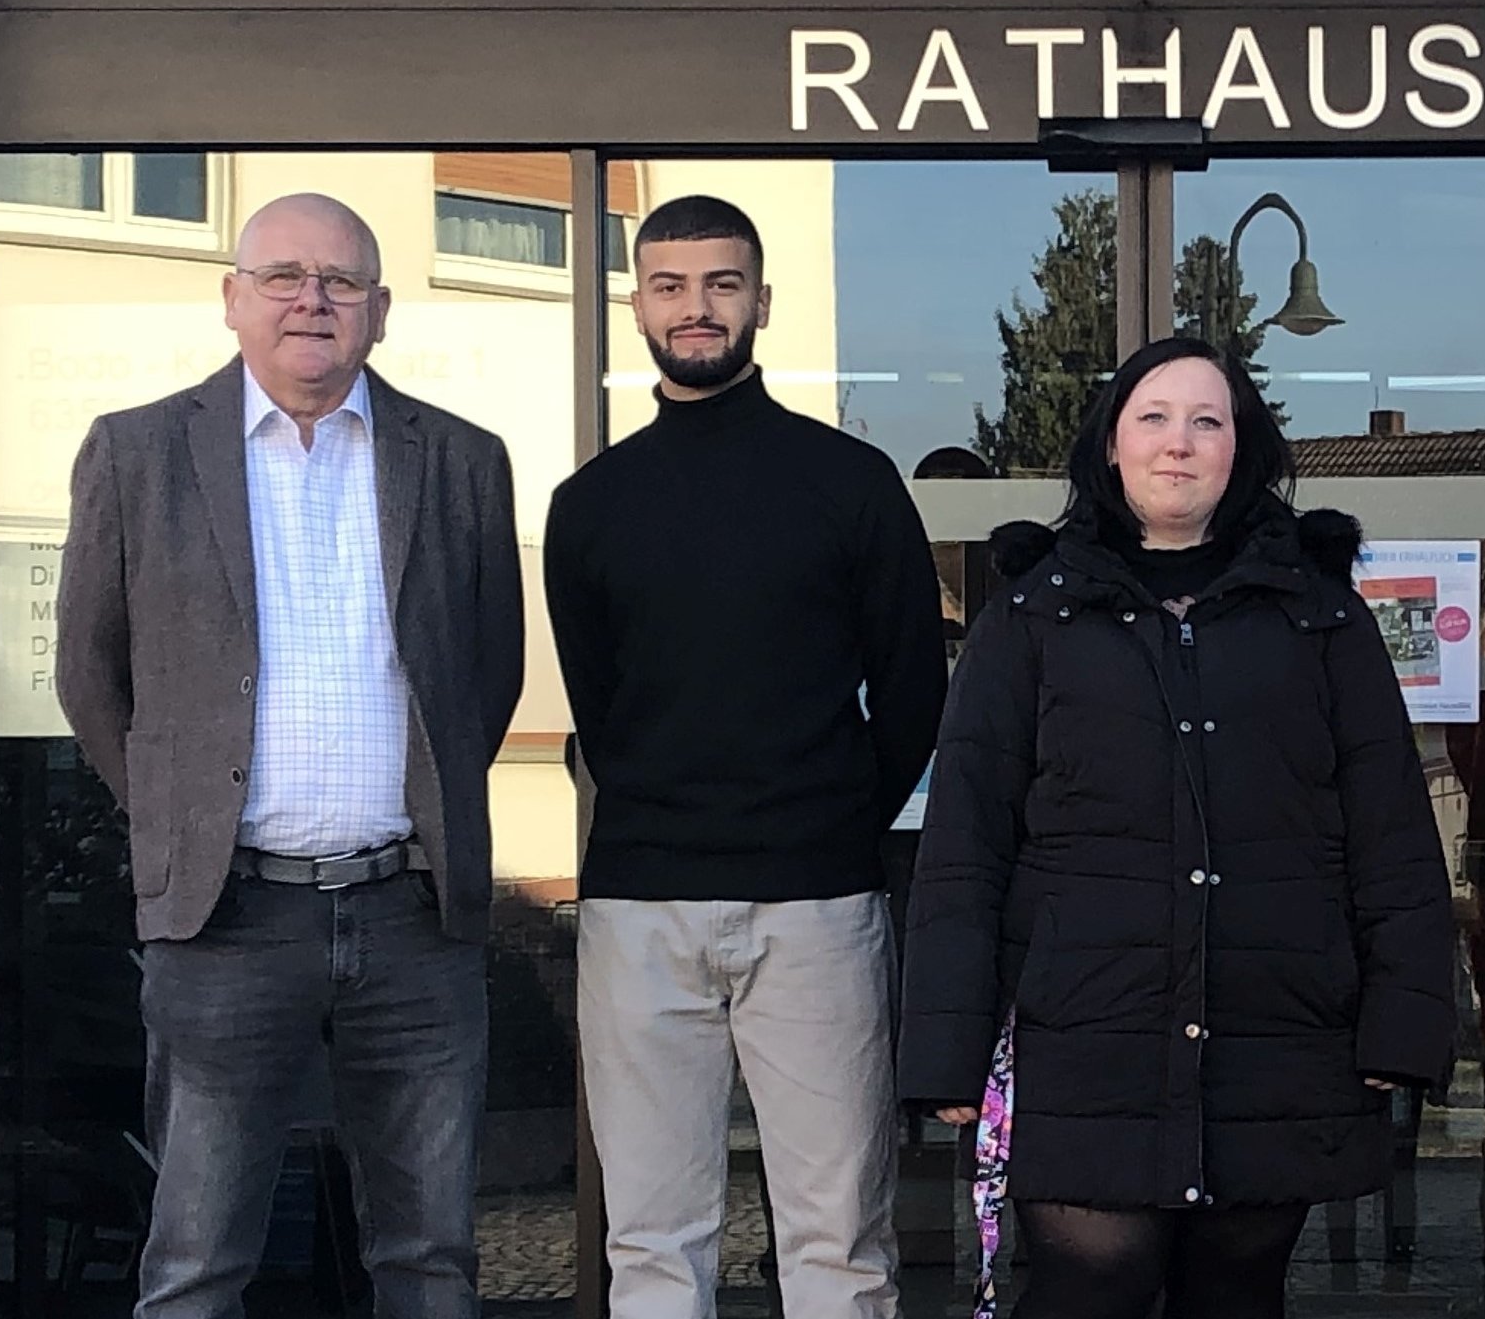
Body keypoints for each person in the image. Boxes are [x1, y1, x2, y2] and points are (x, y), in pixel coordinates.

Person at [898, 336, 1456, 1319]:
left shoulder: (1321, 618)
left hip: (1274, 1027)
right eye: (1153, 417)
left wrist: (1405, 1021)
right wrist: (946, 1043)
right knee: (1093, 1280)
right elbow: (965, 844)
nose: (1179, 444)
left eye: (1209, 420)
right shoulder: (1033, 615)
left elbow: (1393, 835)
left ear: (1243, 450)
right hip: (1084, 1025)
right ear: (1111, 445)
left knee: (1235, 1289)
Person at [55, 192, 526, 1319]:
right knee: (197, 1260)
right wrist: (182, 824)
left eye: (342, 279)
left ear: (381, 311)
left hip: (411, 914)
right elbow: (91, 675)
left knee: (429, 1258)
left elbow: (485, 674)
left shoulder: (462, 459)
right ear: (233, 299)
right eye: (282, 275)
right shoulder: (136, 452)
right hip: (226, 918)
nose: (312, 298)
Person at [543, 195, 946, 1318]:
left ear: (761, 301)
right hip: (640, 906)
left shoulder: (851, 484)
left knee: (840, 1240)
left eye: (722, 283)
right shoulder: (590, 507)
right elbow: (600, 704)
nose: (697, 306)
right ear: (638, 305)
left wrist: (831, 818)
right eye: (671, 285)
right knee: (654, 1243)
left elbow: (915, 687)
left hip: (817, 901)